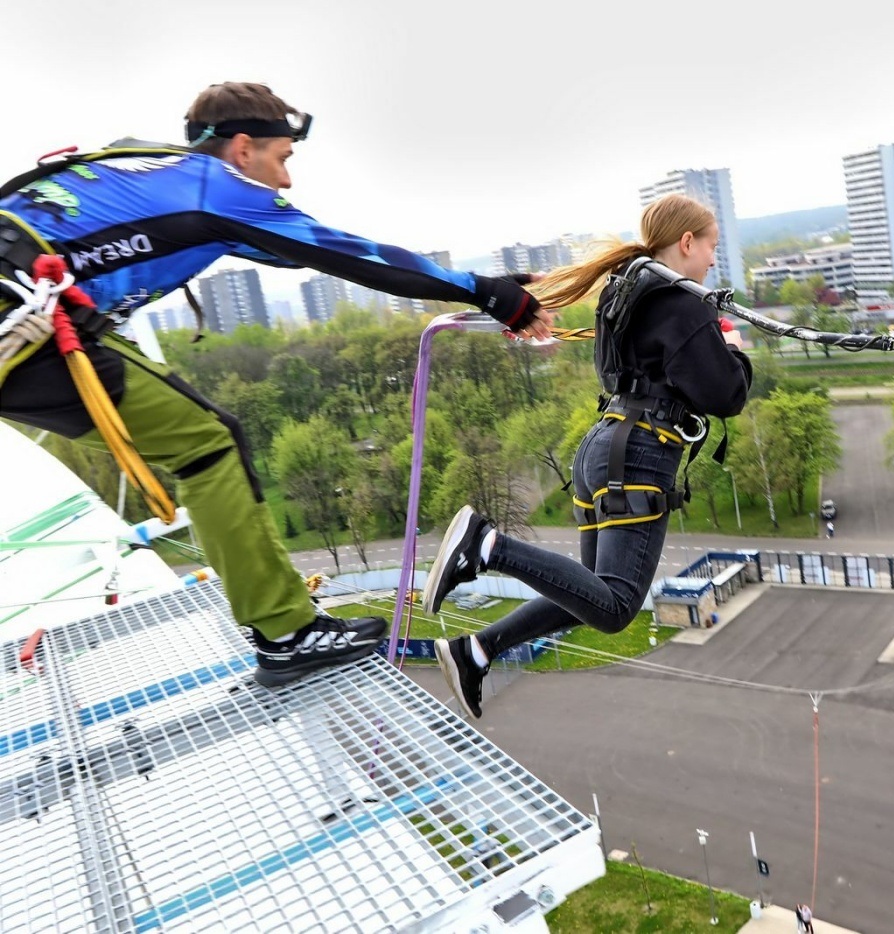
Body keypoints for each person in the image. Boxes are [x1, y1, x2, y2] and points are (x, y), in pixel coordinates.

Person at [0, 82, 550, 688]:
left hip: (34, 315)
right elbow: (349, 255)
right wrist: (486, 292)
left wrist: (484, 282)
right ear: (242, 148)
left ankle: (285, 626)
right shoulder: (218, 191)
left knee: (206, 436)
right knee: (208, 445)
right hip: (26, 324)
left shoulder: (146, 166)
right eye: (282, 159)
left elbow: (293, 249)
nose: (285, 181)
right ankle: (287, 635)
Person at [423, 194, 751, 718]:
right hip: (639, 456)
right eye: (711, 247)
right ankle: (486, 546)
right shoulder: (683, 302)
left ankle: (476, 651)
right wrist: (733, 349)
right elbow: (725, 395)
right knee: (617, 606)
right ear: (687, 242)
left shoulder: (625, 292)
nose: (713, 260)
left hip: (605, 447)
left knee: (588, 595)